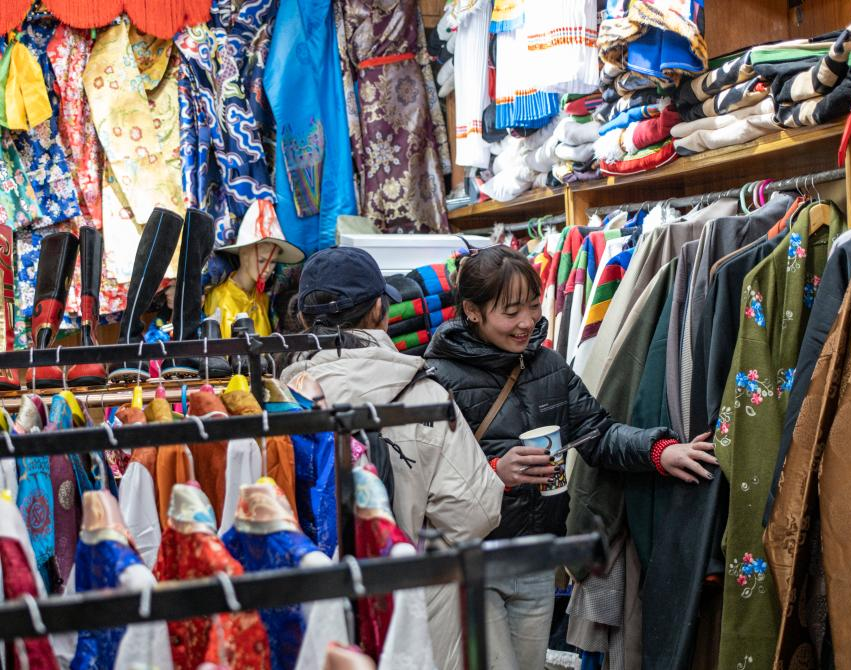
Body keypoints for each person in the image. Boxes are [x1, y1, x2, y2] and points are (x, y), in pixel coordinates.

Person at [423, 245, 716, 670]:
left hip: (538, 558)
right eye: (511, 311)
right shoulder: (437, 378)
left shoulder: (548, 366)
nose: (527, 322)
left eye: (533, 305)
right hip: (474, 563)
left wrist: (660, 450)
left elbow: (598, 433)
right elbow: (427, 479)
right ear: (472, 311)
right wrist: (495, 473)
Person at [277, 246, 504, 670]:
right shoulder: (423, 395)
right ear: (380, 310)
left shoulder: (276, 403)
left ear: (304, 319)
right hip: (412, 615)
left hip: (314, 620)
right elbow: (476, 513)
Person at [205, 198, 306, 338]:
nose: (267, 269)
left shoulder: (262, 298)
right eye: (261, 260)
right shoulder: (221, 298)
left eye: (273, 262)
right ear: (244, 255)